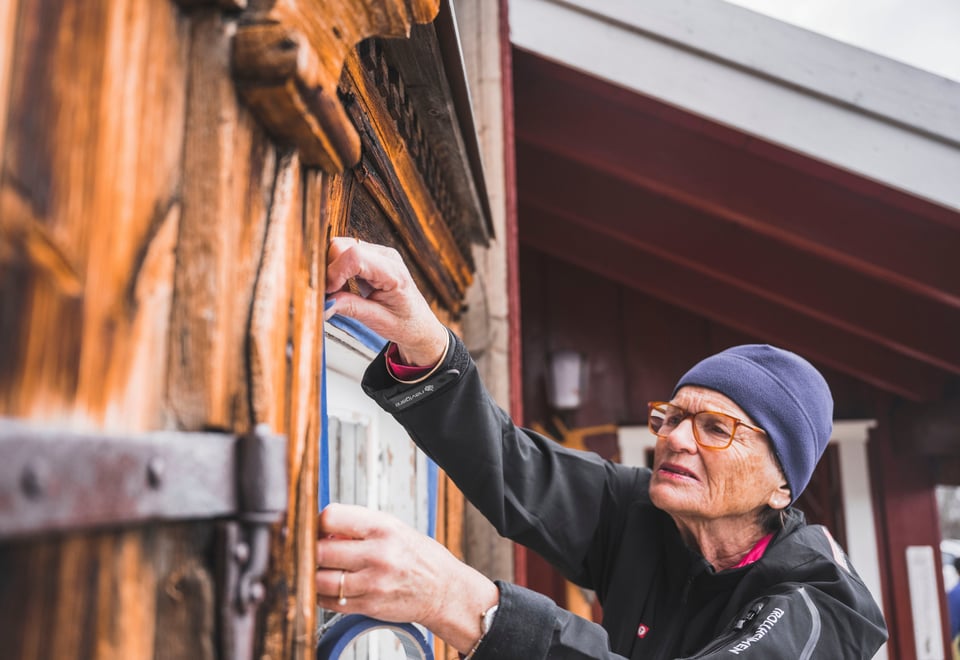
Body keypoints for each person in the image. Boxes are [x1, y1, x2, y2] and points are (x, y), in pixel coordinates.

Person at [315, 237, 888, 659]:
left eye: (716, 429)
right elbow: (514, 469)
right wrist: (422, 341)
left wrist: (463, 602)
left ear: (782, 484)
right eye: (672, 416)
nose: (676, 438)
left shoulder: (823, 605)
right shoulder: (646, 510)